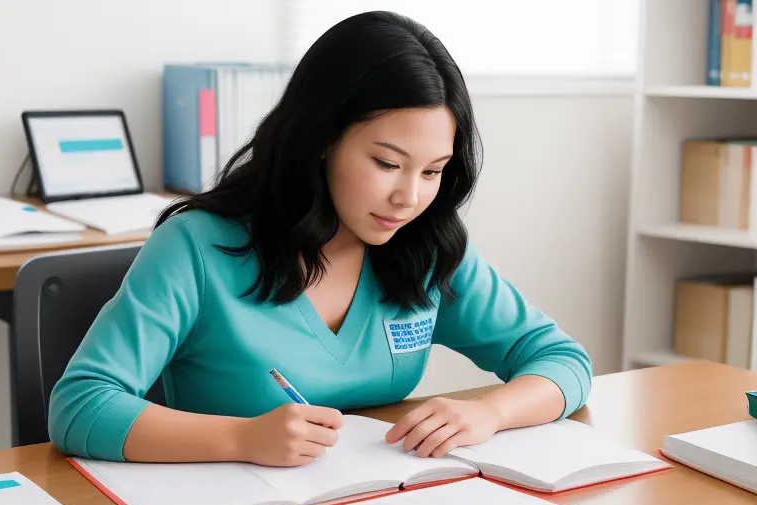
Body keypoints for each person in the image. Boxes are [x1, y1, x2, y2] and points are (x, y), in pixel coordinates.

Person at [47, 11, 592, 466]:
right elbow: (81, 406)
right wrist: (240, 439)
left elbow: (561, 360)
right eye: (387, 162)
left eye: (433, 172)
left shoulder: (425, 248)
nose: (409, 197)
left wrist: (490, 412)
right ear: (322, 138)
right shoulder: (197, 248)